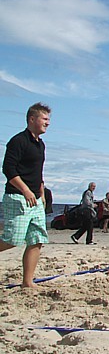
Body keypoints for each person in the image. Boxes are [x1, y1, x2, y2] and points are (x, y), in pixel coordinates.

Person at [0, 102, 51, 288]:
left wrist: (41, 191)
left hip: (35, 199)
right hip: (18, 197)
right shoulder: (18, 141)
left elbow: (38, 170)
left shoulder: (40, 144)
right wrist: (26, 190)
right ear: (32, 119)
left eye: (48, 119)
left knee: (37, 239)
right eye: (44, 119)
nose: (48, 122)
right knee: (13, 238)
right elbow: (8, 169)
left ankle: (27, 282)